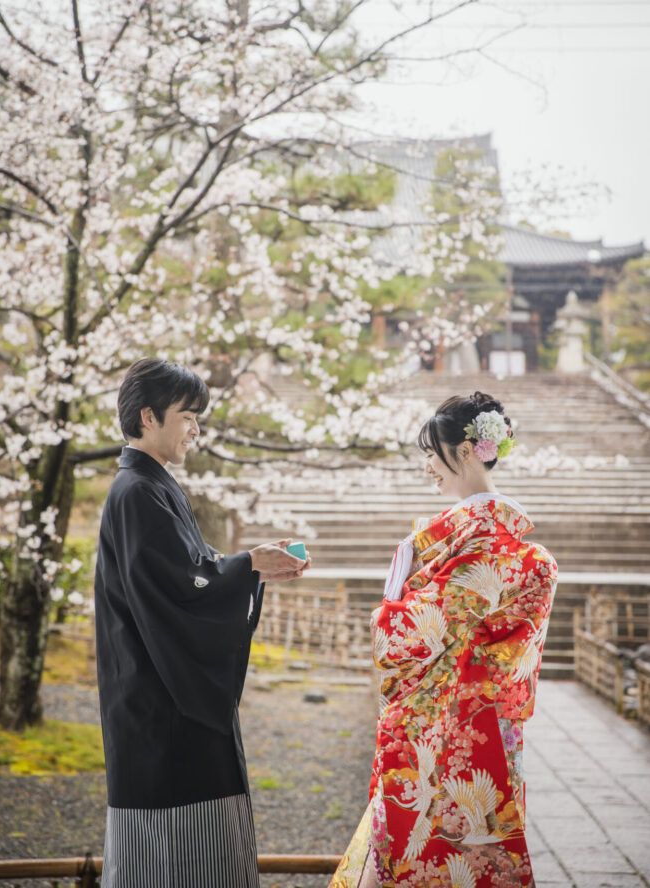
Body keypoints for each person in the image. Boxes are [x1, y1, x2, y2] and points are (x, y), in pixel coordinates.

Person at [95, 358, 309, 888]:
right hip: (160, 698)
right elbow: (178, 587)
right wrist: (246, 567)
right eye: (188, 416)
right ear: (149, 416)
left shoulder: (149, 485)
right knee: (174, 857)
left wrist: (248, 564)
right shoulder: (138, 492)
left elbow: (193, 569)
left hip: (162, 691)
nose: (196, 429)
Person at [331, 391, 557, 888]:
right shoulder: (509, 547)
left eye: (432, 455)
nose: (428, 468)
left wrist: (391, 603)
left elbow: (411, 635)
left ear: (462, 452)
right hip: (484, 720)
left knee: (426, 843)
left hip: (448, 726)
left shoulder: (483, 547)